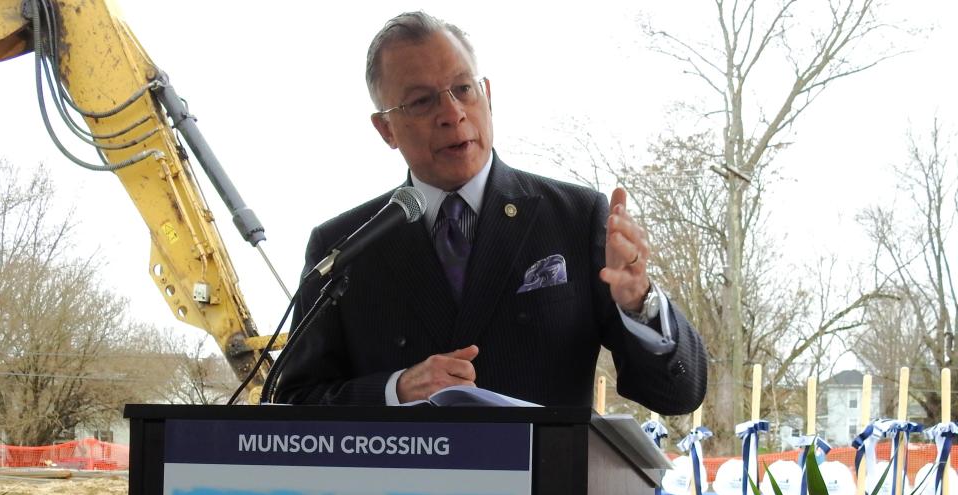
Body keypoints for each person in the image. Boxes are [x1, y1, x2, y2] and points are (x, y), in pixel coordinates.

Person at [275, 11, 707, 412]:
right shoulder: (344, 246)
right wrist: (397, 390)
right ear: (386, 128)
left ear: (487, 94)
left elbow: (677, 394)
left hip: (545, 489)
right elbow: (293, 402)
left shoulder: (576, 217)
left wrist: (639, 300)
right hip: (403, 492)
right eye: (422, 102)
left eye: (463, 89)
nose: (453, 114)